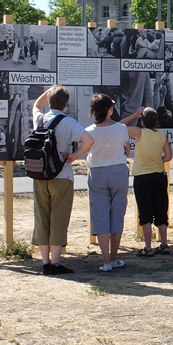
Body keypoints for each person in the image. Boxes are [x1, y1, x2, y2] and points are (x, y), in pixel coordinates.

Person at [68, 94, 132, 272]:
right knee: (117, 214)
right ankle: (114, 258)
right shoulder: (121, 128)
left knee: (100, 215)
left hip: (97, 172)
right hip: (118, 171)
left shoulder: (89, 130)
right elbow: (127, 149)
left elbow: (85, 150)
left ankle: (105, 262)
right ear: (110, 109)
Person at [31, 85, 85, 275]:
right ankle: (55, 262)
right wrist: (74, 155)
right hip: (62, 174)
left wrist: (50, 90)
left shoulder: (39, 118)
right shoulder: (69, 122)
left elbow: (37, 105)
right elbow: (89, 139)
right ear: (66, 104)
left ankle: (45, 262)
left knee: (42, 217)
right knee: (59, 218)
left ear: (50, 100)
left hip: (39, 174)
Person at [128, 107, 172, 256]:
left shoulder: (139, 132)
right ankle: (164, 243)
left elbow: (118, 126)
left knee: (145, 212)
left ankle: (148, 247)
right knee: (161, 209)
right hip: (159, 175)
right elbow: (168, 156)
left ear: (142, 121)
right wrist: (157, 160)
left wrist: (134, 114)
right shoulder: (162, 135)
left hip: (142, 176)